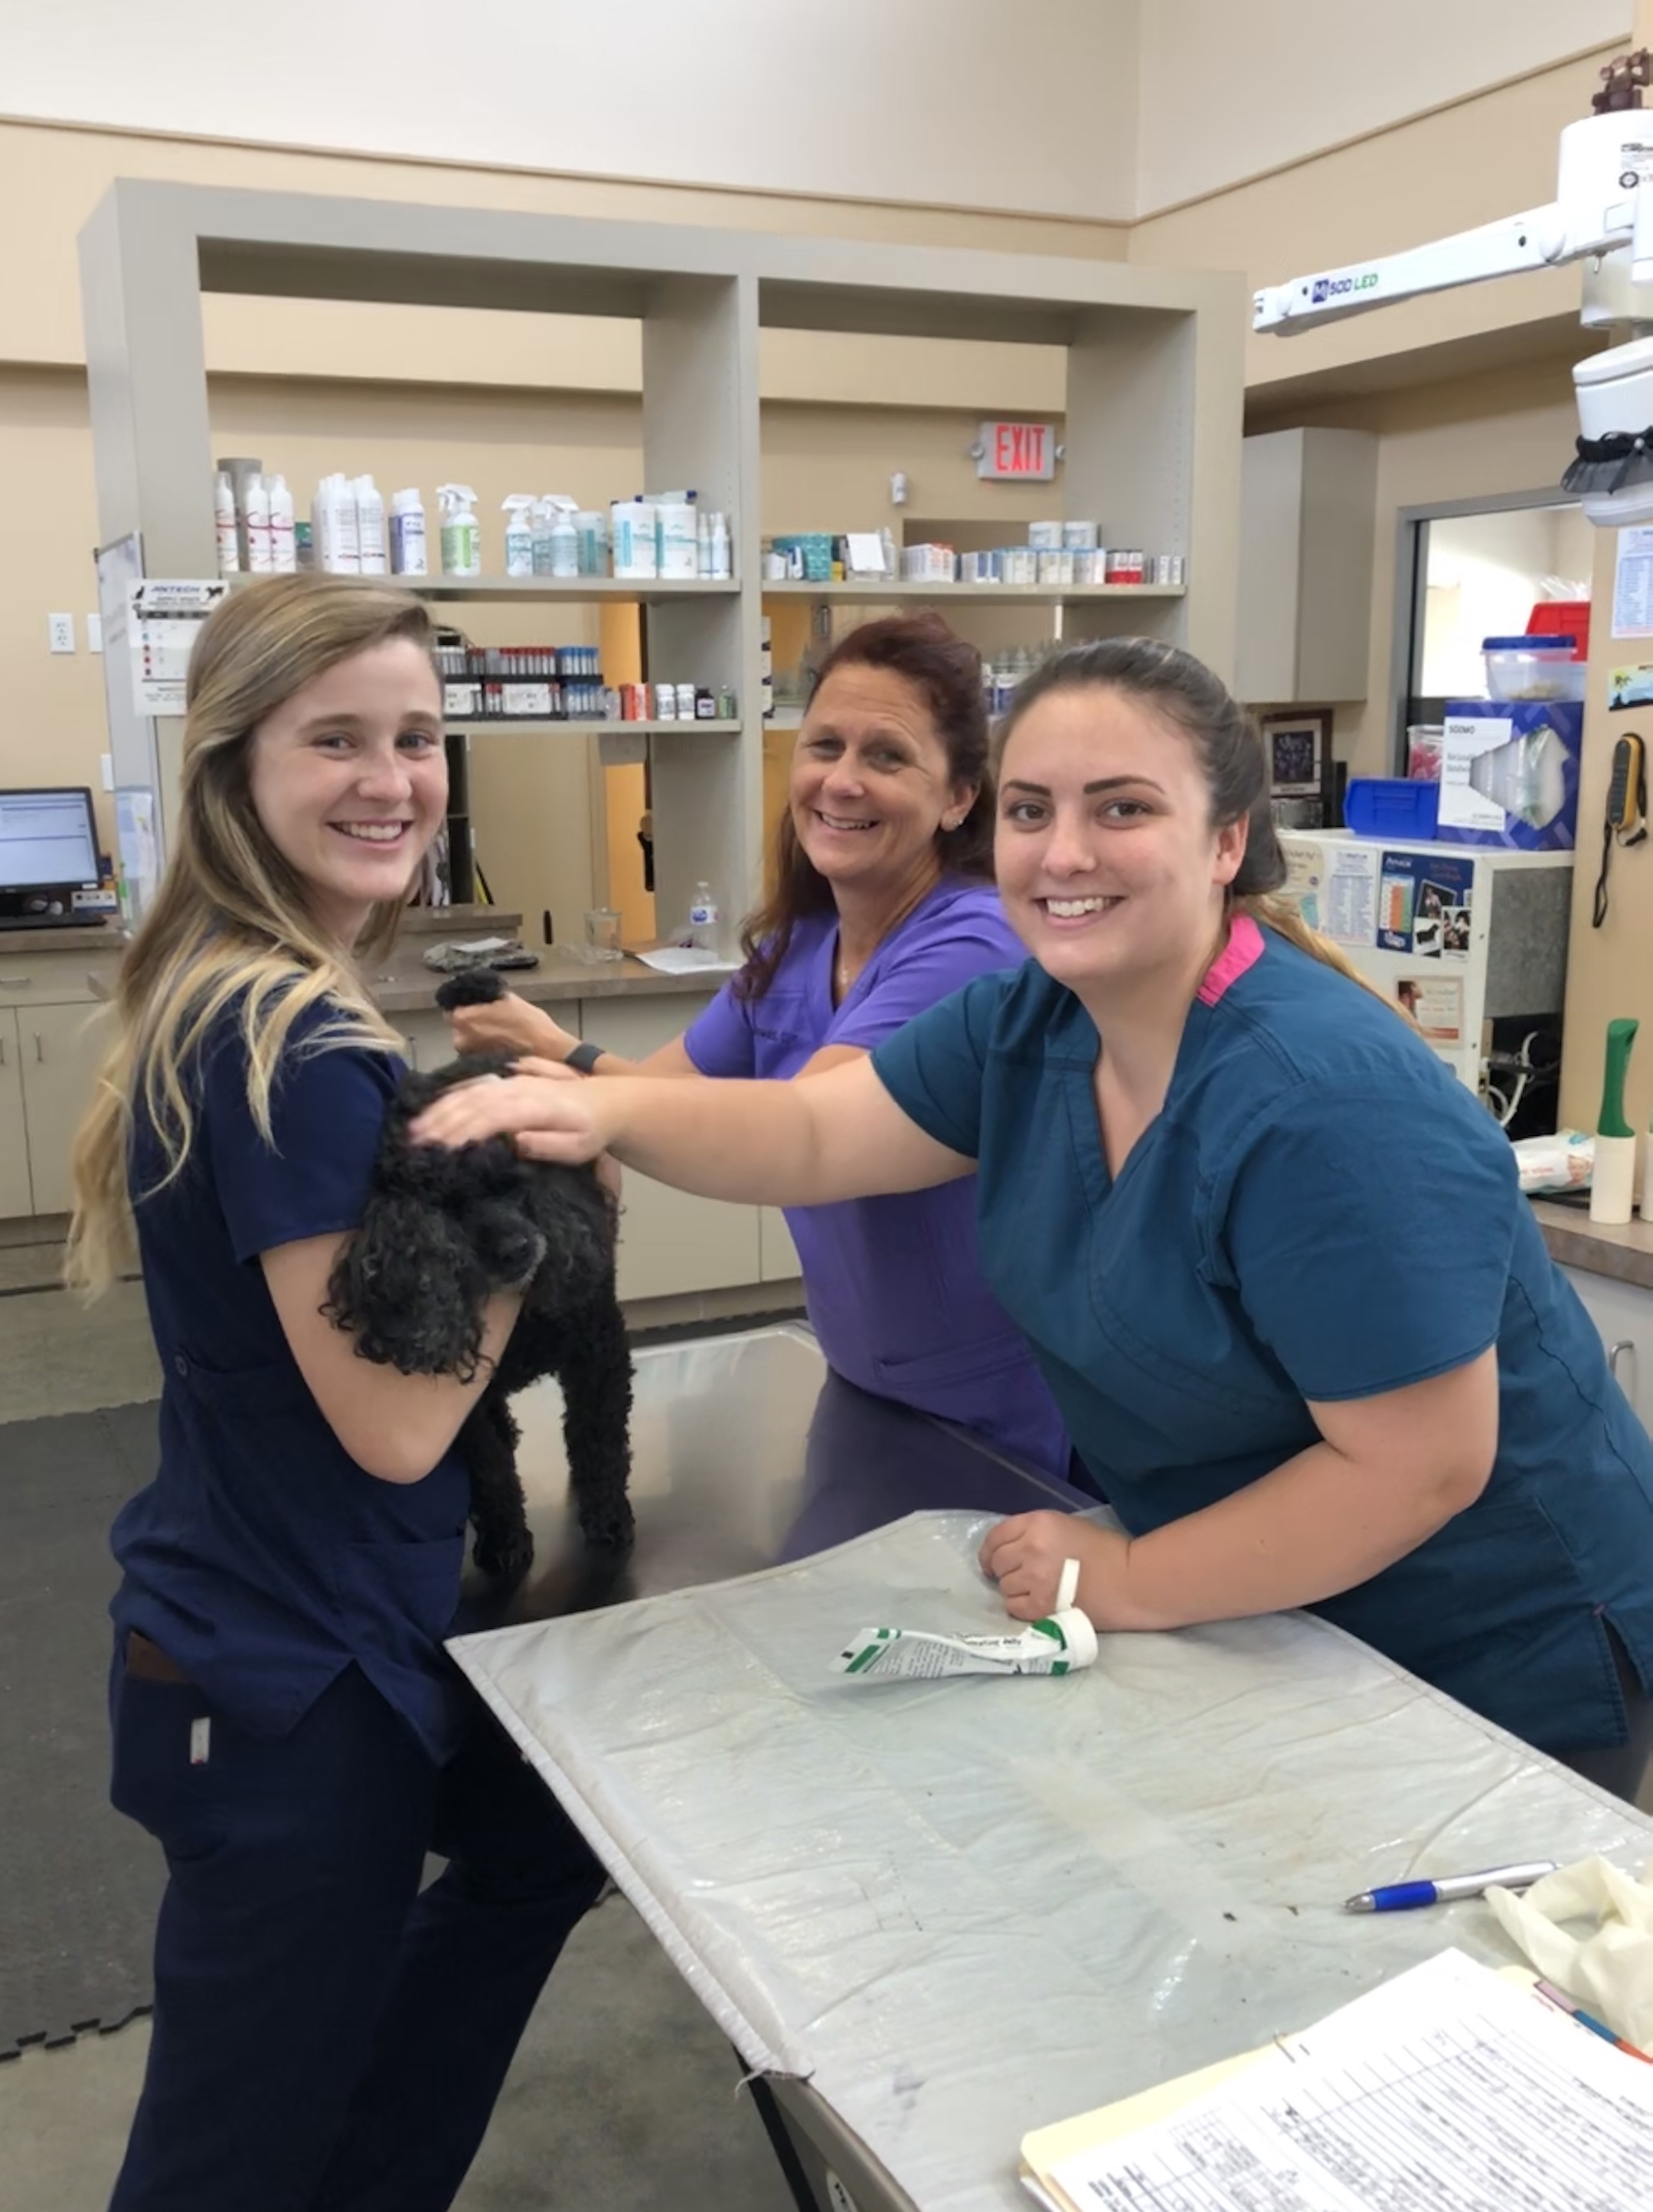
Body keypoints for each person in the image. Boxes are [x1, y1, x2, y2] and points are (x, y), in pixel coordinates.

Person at [409, 636, 1653, 1793]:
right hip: (1262, 1609)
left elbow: (1419, 1466)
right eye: (1030, 811)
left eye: (1122, 808)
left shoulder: (1323, 1104)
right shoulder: (1033, 1026)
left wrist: (1131, 1575)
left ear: (1228, 841)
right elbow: (814, 1132)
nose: (1064, 855)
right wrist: (601, 1110)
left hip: (1488, 1644)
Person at [67, 577, 602, 2212]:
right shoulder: (289, 1046)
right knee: (209, 2165)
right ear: (236, 763)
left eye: (418, 739)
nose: (393, 780)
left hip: (321, 1632)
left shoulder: (262, 998)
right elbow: (395, 1418)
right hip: (280, 1680)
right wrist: (548, 1188)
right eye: (339, 742)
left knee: (537, 1843)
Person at [448, 613, 1070, 1479]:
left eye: (887, 757)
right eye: (824, 747)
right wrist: (559, 1054)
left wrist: (574, 1086)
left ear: (961, 796)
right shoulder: (799, 949)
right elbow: (663, 1098)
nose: (842, 781)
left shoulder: (973, 944)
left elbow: (801, 1134)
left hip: (994, 1413)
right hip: (863, 1382)